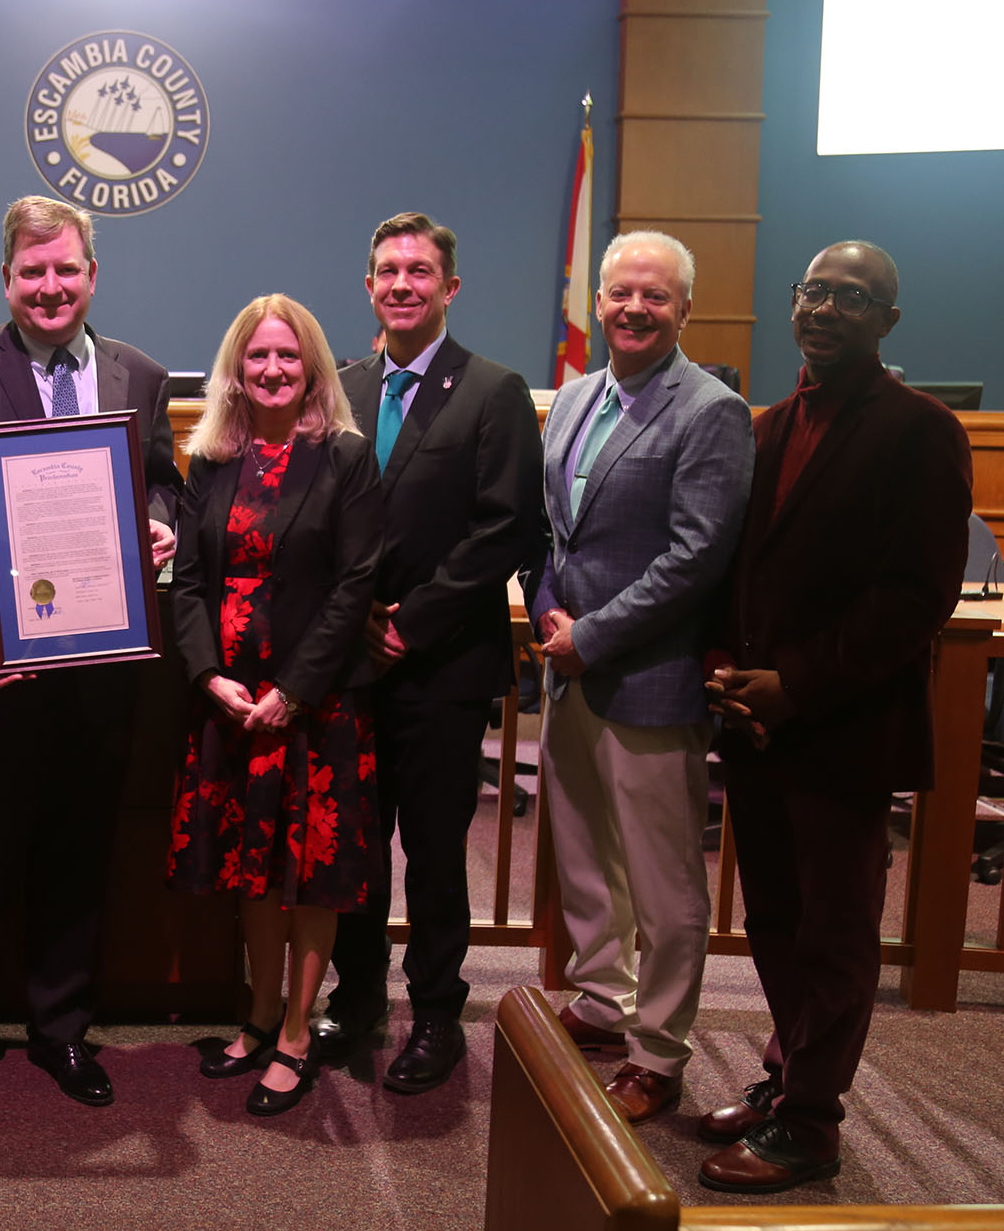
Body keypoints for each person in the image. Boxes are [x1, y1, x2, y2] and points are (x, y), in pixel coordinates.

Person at [698, 241, 970, 1192]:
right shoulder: (767, 426)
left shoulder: (921, 429)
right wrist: (727, 664)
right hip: (761, 725)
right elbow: (741, 566)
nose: (828, 308)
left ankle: (813, 1123)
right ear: (792, 302)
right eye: (815, 290)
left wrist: (797, 683)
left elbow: (916, 595)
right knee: (774, 917)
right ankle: (786, 1075)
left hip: (844, 727)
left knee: (837, 931)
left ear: (888, 321)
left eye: (855, 298)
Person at [0, 195, 182, 1108]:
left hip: (105, 669)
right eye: (34, 272)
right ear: (7, 279)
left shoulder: (140, 375)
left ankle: (62, 1030)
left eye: (67, 270)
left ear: (92, 275)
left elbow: (163, 489)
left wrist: (159, 526)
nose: (51, 287)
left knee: (79, 848)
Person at [528, 232, 754, 1124]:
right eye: (621, 293)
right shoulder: (578, 396)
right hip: (572, 667)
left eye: (654, 297)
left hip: (649, 679)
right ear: (600, 301)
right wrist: (550, 610)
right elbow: (559, 533)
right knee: (582, 852)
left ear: (684, 310)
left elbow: (698, 557)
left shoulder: (711, 410)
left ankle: (658, 1049)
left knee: (663, 883)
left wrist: (595, 635)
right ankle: (600, 1001)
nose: (633, 309)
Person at [324, 211, 545, 1095]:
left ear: (449, 287)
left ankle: (438, 1016)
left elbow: (505, 530)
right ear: (369, 285)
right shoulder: (340, 384)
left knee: (437, 851)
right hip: (349, 667)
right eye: (387, 270)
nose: (402, 284)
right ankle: (360, 997)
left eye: (419, 271)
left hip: (442, 662)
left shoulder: (493, 390)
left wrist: (408, 620)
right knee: (356, 844)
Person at [168, 294, 383, 1117]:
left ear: (313, 367)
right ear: (236, 366)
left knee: (311, 876)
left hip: (315, 704)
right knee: (251, 866)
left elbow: (357, 581)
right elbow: (190, 579)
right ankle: (259, 1013)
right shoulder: (212, 460)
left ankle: (299, 1027)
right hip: (231, 700)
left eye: (287, 356)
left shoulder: (345, 459)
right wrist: (207, 675)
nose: (271, 370)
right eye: (257, 356)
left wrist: (295, 690)